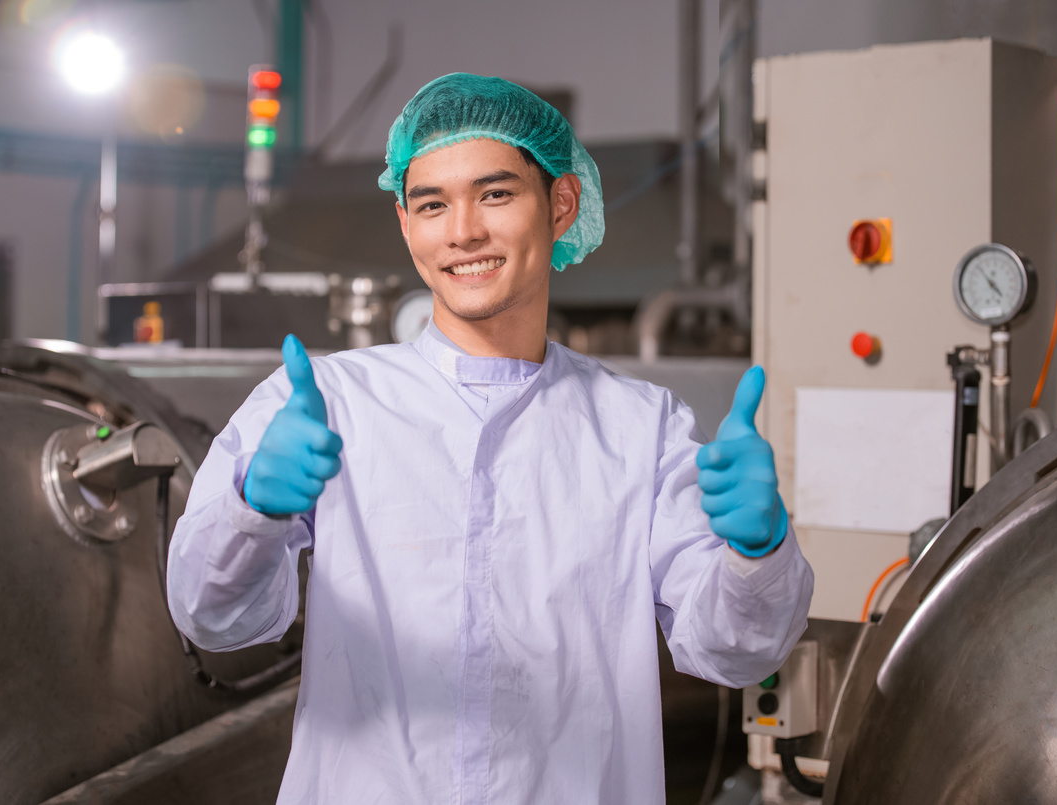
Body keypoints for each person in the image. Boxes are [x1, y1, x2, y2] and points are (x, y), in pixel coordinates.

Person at [167, 73, 813, 805]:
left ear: (561, 204)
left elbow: (734, 648)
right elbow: (210, 617)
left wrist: (756, 553)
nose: (463, 230)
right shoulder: (325, 403)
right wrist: (252, 510)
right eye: (431, 203)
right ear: (406, 223)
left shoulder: (641, 427)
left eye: (495, 193)